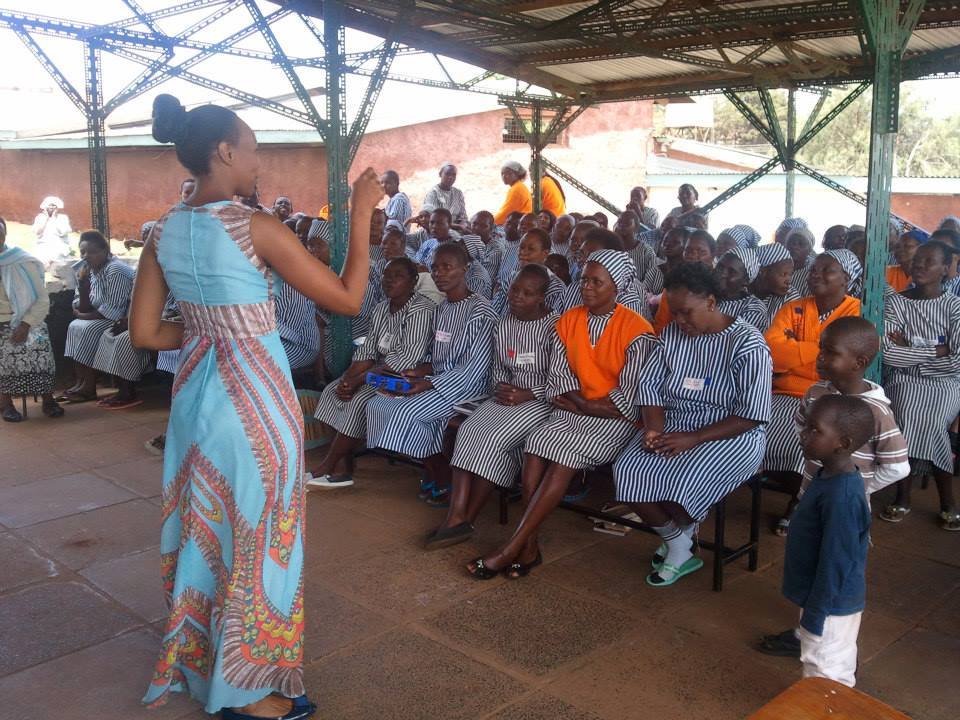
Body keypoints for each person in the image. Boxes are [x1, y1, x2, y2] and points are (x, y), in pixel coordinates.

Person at [130, 93, 381, 718]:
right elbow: (348, 300)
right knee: (262, 537)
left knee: (204, 530)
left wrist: (214, 330)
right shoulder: (253, 227)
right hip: (255, 407)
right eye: (252, 147)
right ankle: (251, 693)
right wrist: (360, 213)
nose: (257, 158)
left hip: (195, 403)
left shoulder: (162, 231)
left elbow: (145, 333)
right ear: (223, 152)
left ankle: (200, 660)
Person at [467, 250, 656, 579]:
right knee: (536, 443)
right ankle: (528, 545)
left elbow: (629, 396)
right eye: (585, 279)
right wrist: (582, 403)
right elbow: (558, 379)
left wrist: (587, 405)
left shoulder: (637, 330)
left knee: (561, 460)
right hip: (572, 411)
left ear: (618, 286)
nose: (587, 287)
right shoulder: (569, 320)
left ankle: (513, 547)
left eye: (597, 282)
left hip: (613, 422)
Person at [756, 317, 908, 660]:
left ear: (859, 362)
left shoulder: (876, 410)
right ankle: (805, 631)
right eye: (821, 348)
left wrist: (860, 487)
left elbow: (899, 466)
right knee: (811, 564)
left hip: (842, 505)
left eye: (830, 352)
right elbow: (800, 422)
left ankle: (832, 650)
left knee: (837, 572)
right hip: (812, 497)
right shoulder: (817, 392)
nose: (820, 358)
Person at [613, 263, 771, 586]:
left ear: (711, 303)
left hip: (731, 432)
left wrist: (695, 438)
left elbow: (752, 413)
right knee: (627, 470)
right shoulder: (671, 334)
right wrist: (654, 428)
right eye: (674, 313)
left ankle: (679, 541)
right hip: (675, 423)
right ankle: (679, 542)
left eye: (687, 313)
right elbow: (650, 386)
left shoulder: (748, 344)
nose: (679, 321)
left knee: (682, 483)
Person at [427, 265, 558, 548]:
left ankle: (466, 519)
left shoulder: (555, 327)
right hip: (506, 396)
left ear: (541, 297)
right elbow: (499, 367)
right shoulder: (504, 322)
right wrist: (501, 387)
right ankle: (456, 514)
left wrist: (528, 393)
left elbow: (559, 380)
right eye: (514, 289)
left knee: (492, 439)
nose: (517, 297)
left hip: (540, 401)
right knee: (468, 430)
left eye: (528, 293)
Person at [365, 242, 497, 505]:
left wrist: (428, 383)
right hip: (439, 380)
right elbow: (435, 355)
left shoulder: (480, 311)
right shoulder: (443, 308)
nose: (439, 273)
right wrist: (416, 372)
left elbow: (474, 369)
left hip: (468, 386)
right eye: (435, 268)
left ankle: (442, 474)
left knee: (406, 412)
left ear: (465, 268)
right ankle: (434, 469)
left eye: (447, 267)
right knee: (378, 403)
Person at [310, 257, 434, 489]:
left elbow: (406, 358)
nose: (390, 281)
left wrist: (360, 379)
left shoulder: (421, 309)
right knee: (331, 391)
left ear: (413, 281)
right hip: (379, 370)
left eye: (398, 276)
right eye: (387, 275)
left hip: (407, 374)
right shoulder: (381, 308)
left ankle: (328, 465)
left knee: (359, 400)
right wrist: (348, 379)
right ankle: (343, 467)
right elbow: (368, 349)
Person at [763, 249, 862, 535]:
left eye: (826, 269)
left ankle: (799, 502)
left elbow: (839, 366)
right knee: (750, 431)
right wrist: (820, 349)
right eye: (813, 269)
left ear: (846, 278)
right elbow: (773, 352)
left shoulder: (855, 312)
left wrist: (795, 351)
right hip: (780, 394)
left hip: (829, 396)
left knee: (804, 442)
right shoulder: (794, 307)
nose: (815, 274)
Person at [782, 394, 873, 688]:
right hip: (822, 598)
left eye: (815, 430)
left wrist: (816, 613)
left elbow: (837, 561)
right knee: (829, 661)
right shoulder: (828, 476)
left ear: (843, 443)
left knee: (825, 673)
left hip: (830, 604)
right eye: (806, 426)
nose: (804, 435)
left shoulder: (841, 496)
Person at [879, 240, 960, 531]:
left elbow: (957, 361)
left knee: (932, 420)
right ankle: (908, 496)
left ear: (945, 269)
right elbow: (889, 353)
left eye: (929, 261)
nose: (919, 265)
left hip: (946, 384)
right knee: (903, 413)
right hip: (903, 381)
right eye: (917, 260)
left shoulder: (955, 306)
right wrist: (936, 349)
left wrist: (911, 346)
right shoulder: (898, 301)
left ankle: (933, 499)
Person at [58, 230, 135, 403]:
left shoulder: (116, 269)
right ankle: (80, 382)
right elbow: (81, 305)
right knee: (74, 326)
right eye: (83, 252)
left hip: (122, 318)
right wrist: (84, 288)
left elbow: (113, 311)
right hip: (101, 315)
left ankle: (89, 387)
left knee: (86, 328)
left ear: (105, 251)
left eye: (92, 252)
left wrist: (82, 316)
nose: (86, 256)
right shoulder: (86, 270)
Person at [0, 217, 63, 422]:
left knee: (40, 348)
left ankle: (48, 399)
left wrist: (25, 324)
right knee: (3, 355)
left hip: (28, 319)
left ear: (5, 233)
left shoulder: (21, 260)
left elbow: (42, 299)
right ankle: (6, 404)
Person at [561, 228, 646, 317]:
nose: (582, 260)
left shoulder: (628, 300)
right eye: (581, 253)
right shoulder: (572, 289)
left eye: (592, 256)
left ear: (611, 260)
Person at [653, 229, 717, 334]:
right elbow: (660, 327)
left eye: (701, 251)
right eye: (688, 251)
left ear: (713, 255)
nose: (692, 255)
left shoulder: (723, 286)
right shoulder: (674, 287)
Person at [493, 228, 565, 316]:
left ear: (545, 253)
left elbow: (552, 321)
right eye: (521, 247)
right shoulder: (513, 277)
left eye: (531, 249)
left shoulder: (556, 288)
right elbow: (495, 310)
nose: (523, 252)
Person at [714, 248, 770, 331]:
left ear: (746, 281)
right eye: (720, 267)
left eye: (731, 271)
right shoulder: (705, 293)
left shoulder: (754, 308)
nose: (722, 274)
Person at [752, 243, 799, 329]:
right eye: (784, 274)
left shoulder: (790, 298)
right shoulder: (743, 292)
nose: (789, 281)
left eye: (790, 274)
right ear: (763, 272)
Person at [643, 225, 689, 297]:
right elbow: (642, 294)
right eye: (665, 240)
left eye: (675, 242)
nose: (668, 244)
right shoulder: (655, 270)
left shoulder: (688, 274)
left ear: (686, 246)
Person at [614, 209, 657, 283]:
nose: (622, 226)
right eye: (620, 222)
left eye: (627, 223)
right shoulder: (610, 246)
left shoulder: (646, 251)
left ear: (636, 227)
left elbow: (651, 281)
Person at [422, 163, 468, 227]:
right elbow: (430, 219)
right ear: (440, 174)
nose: (450, 177)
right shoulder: (433, 193)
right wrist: (456, 226)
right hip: (437, 230)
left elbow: (463, 216)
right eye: (447, 174)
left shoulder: (458, 193)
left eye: (453, 175)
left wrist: (463, 224)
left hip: (457, 229)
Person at [32, 196, 73, 266]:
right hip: (43, 244)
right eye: (49, 205)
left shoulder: (63, 218)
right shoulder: (40, 217)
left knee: (55, 257)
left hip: (59, 244)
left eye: (53, 205)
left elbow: (63, 231)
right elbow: (37, 231)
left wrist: (54, 218)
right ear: (45, 207)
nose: (51, 207)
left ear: (57, 207)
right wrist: (46, 219)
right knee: (39, 259)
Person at [886, 229, 928, 293]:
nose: (900, 250)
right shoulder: (885, 272)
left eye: (907, 246)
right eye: (897, 247)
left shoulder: (928, 277)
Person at [786, 227, 817, 296]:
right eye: (792, 243)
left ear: (809, 250)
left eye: (801, 244)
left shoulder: (812, 273)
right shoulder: (776, 265)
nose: (795, 247)